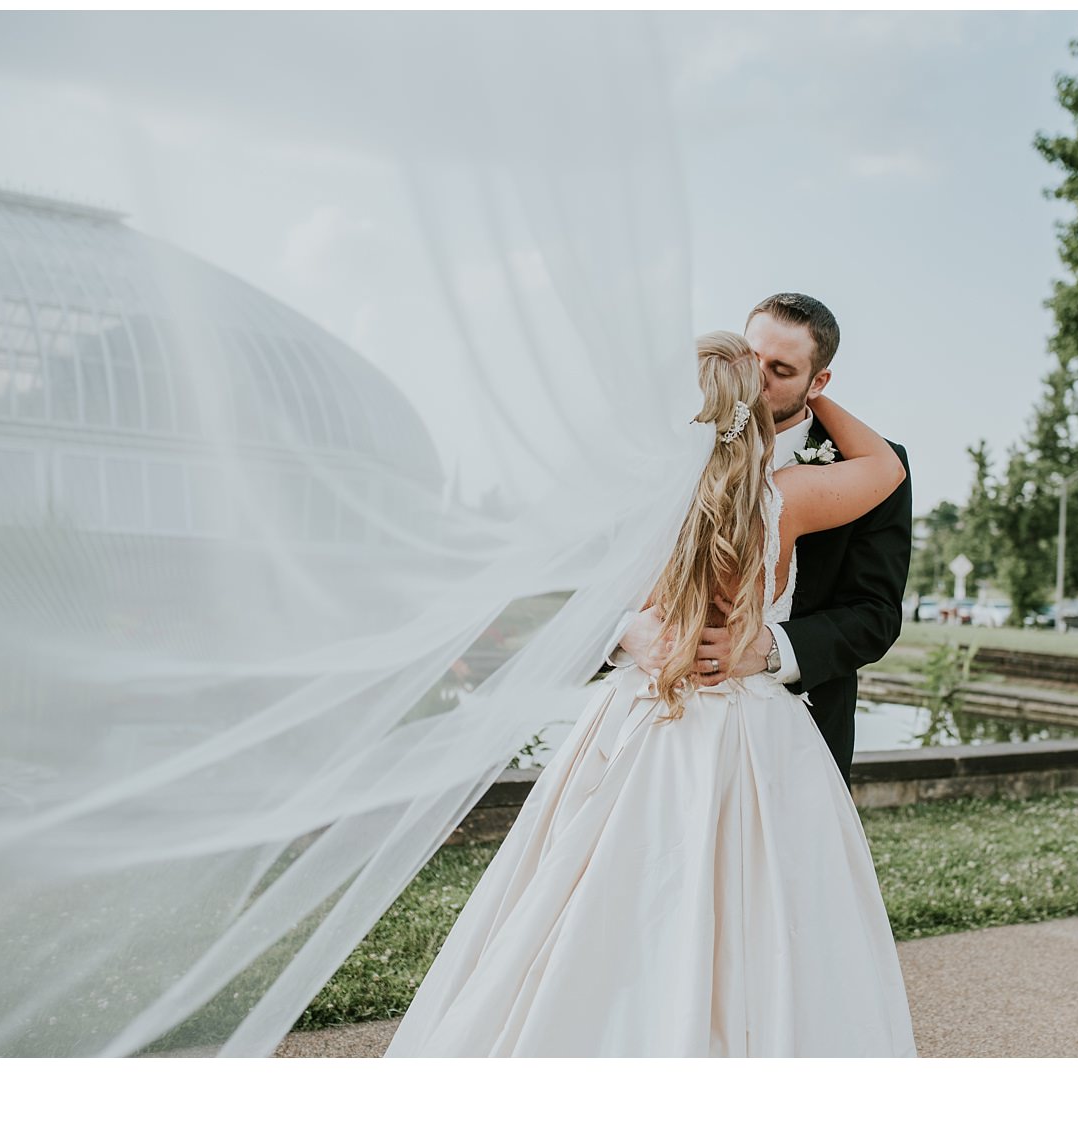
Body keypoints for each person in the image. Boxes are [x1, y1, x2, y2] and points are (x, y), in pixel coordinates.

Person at [383, 331, 916, 1057]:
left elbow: (577, 592)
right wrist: (812, 393)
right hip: (746, 729)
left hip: (641, 715)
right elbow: (884, 467)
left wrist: (640, 630)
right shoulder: (782, 501)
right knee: (759, 914)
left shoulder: (645, 502)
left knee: (601, 901)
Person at [622, 293, 914, 786]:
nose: (757, 380)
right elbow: (598, 584)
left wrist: (769, 646)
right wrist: (626, 633)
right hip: (658, 713)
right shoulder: (664, 458)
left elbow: (875, 615)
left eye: (781, 370)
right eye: (750, 358)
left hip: (797, 739)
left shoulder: (849, 464)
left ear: (817, 381)